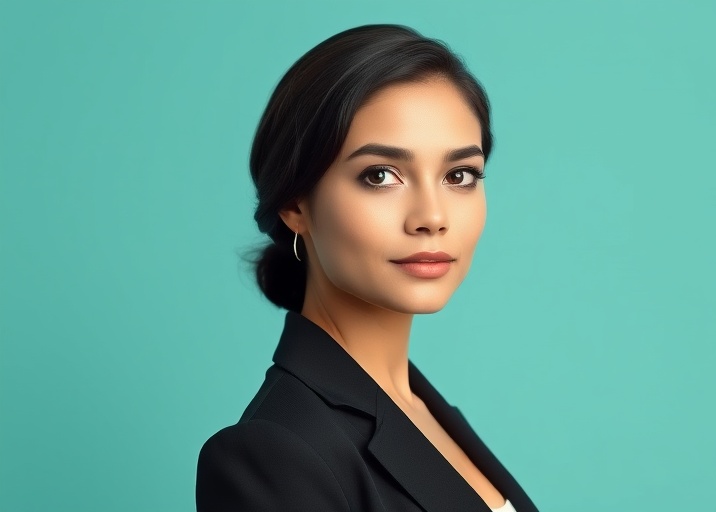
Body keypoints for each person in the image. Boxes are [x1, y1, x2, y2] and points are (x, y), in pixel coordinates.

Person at [195, 24, 538, 512]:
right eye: (380, 175)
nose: (432, 217)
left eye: (459, 175)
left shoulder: (426, 409)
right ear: (296, 203)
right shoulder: (275, 453)